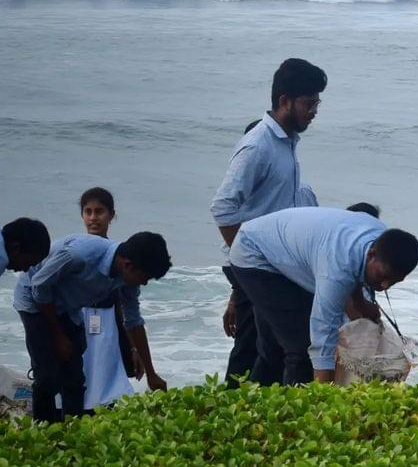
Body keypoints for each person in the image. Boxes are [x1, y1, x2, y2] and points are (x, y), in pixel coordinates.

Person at [210, 58, 327, 386]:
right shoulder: (258, 145)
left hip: (277, 265)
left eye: (317, 101)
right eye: (309, 102)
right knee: (270, 348)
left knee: (272, 349)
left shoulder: (286, 142)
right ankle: (239, 416)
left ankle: (258, 415)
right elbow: (222, 206)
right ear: (284, 101)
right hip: (259, 266)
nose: (314, 110)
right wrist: (246, 257)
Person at [228, 206, 418, 386]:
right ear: (371, 255)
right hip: (255, 254)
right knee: (301, 347)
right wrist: (327, 396)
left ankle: (256, 405)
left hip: (286, 253)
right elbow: (322, 338)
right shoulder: (336, 270)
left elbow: (354, 265)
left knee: (278, 344)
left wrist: (360, 304)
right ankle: (299, 414)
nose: (384, 286)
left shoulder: (381, 239)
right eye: (382, 277)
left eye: (394, 281)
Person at [14, 231, 171, 422]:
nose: (144, 283)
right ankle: (43, 431)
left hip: (68, 307)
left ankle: (72, 431)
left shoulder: (128, 277)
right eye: (145, 277)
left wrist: (151, 374)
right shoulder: (80, 254)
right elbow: (39, 285)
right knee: (47, 375)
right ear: (128, 265)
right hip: (34, 300)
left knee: (75, 378)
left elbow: (133, 321)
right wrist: (58, 335)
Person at [77, 188, 139, 409]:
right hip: (78, 318)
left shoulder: (119, 255)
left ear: (111, 215)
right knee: (77, 377)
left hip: (106, 323)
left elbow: (127, 307)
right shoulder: (77, 251)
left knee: (105, 381)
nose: (93, 218)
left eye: (99, 212)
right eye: (88, 212)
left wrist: (134, 348)